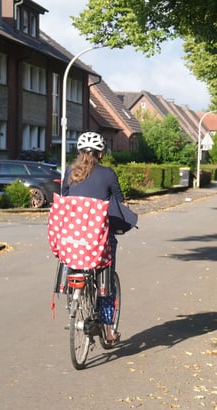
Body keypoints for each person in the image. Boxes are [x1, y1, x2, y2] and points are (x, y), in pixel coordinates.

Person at [61, 131, 137, 345]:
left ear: (79, 152)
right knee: (107, 283)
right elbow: (120, 203)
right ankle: (108, 329)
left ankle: (72, 298)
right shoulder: (108, 174)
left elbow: (65, 202)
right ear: (101, 153)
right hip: (98, 240)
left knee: (73, 263)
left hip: (72, 240)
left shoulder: (69, 172)